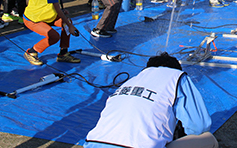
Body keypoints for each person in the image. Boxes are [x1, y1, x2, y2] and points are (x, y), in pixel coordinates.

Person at [85, 52, 218, 148]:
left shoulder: (129, 82)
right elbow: (198, 126)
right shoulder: (176, 77)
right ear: (175, 69)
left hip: (93, 143)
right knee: (208, 139)